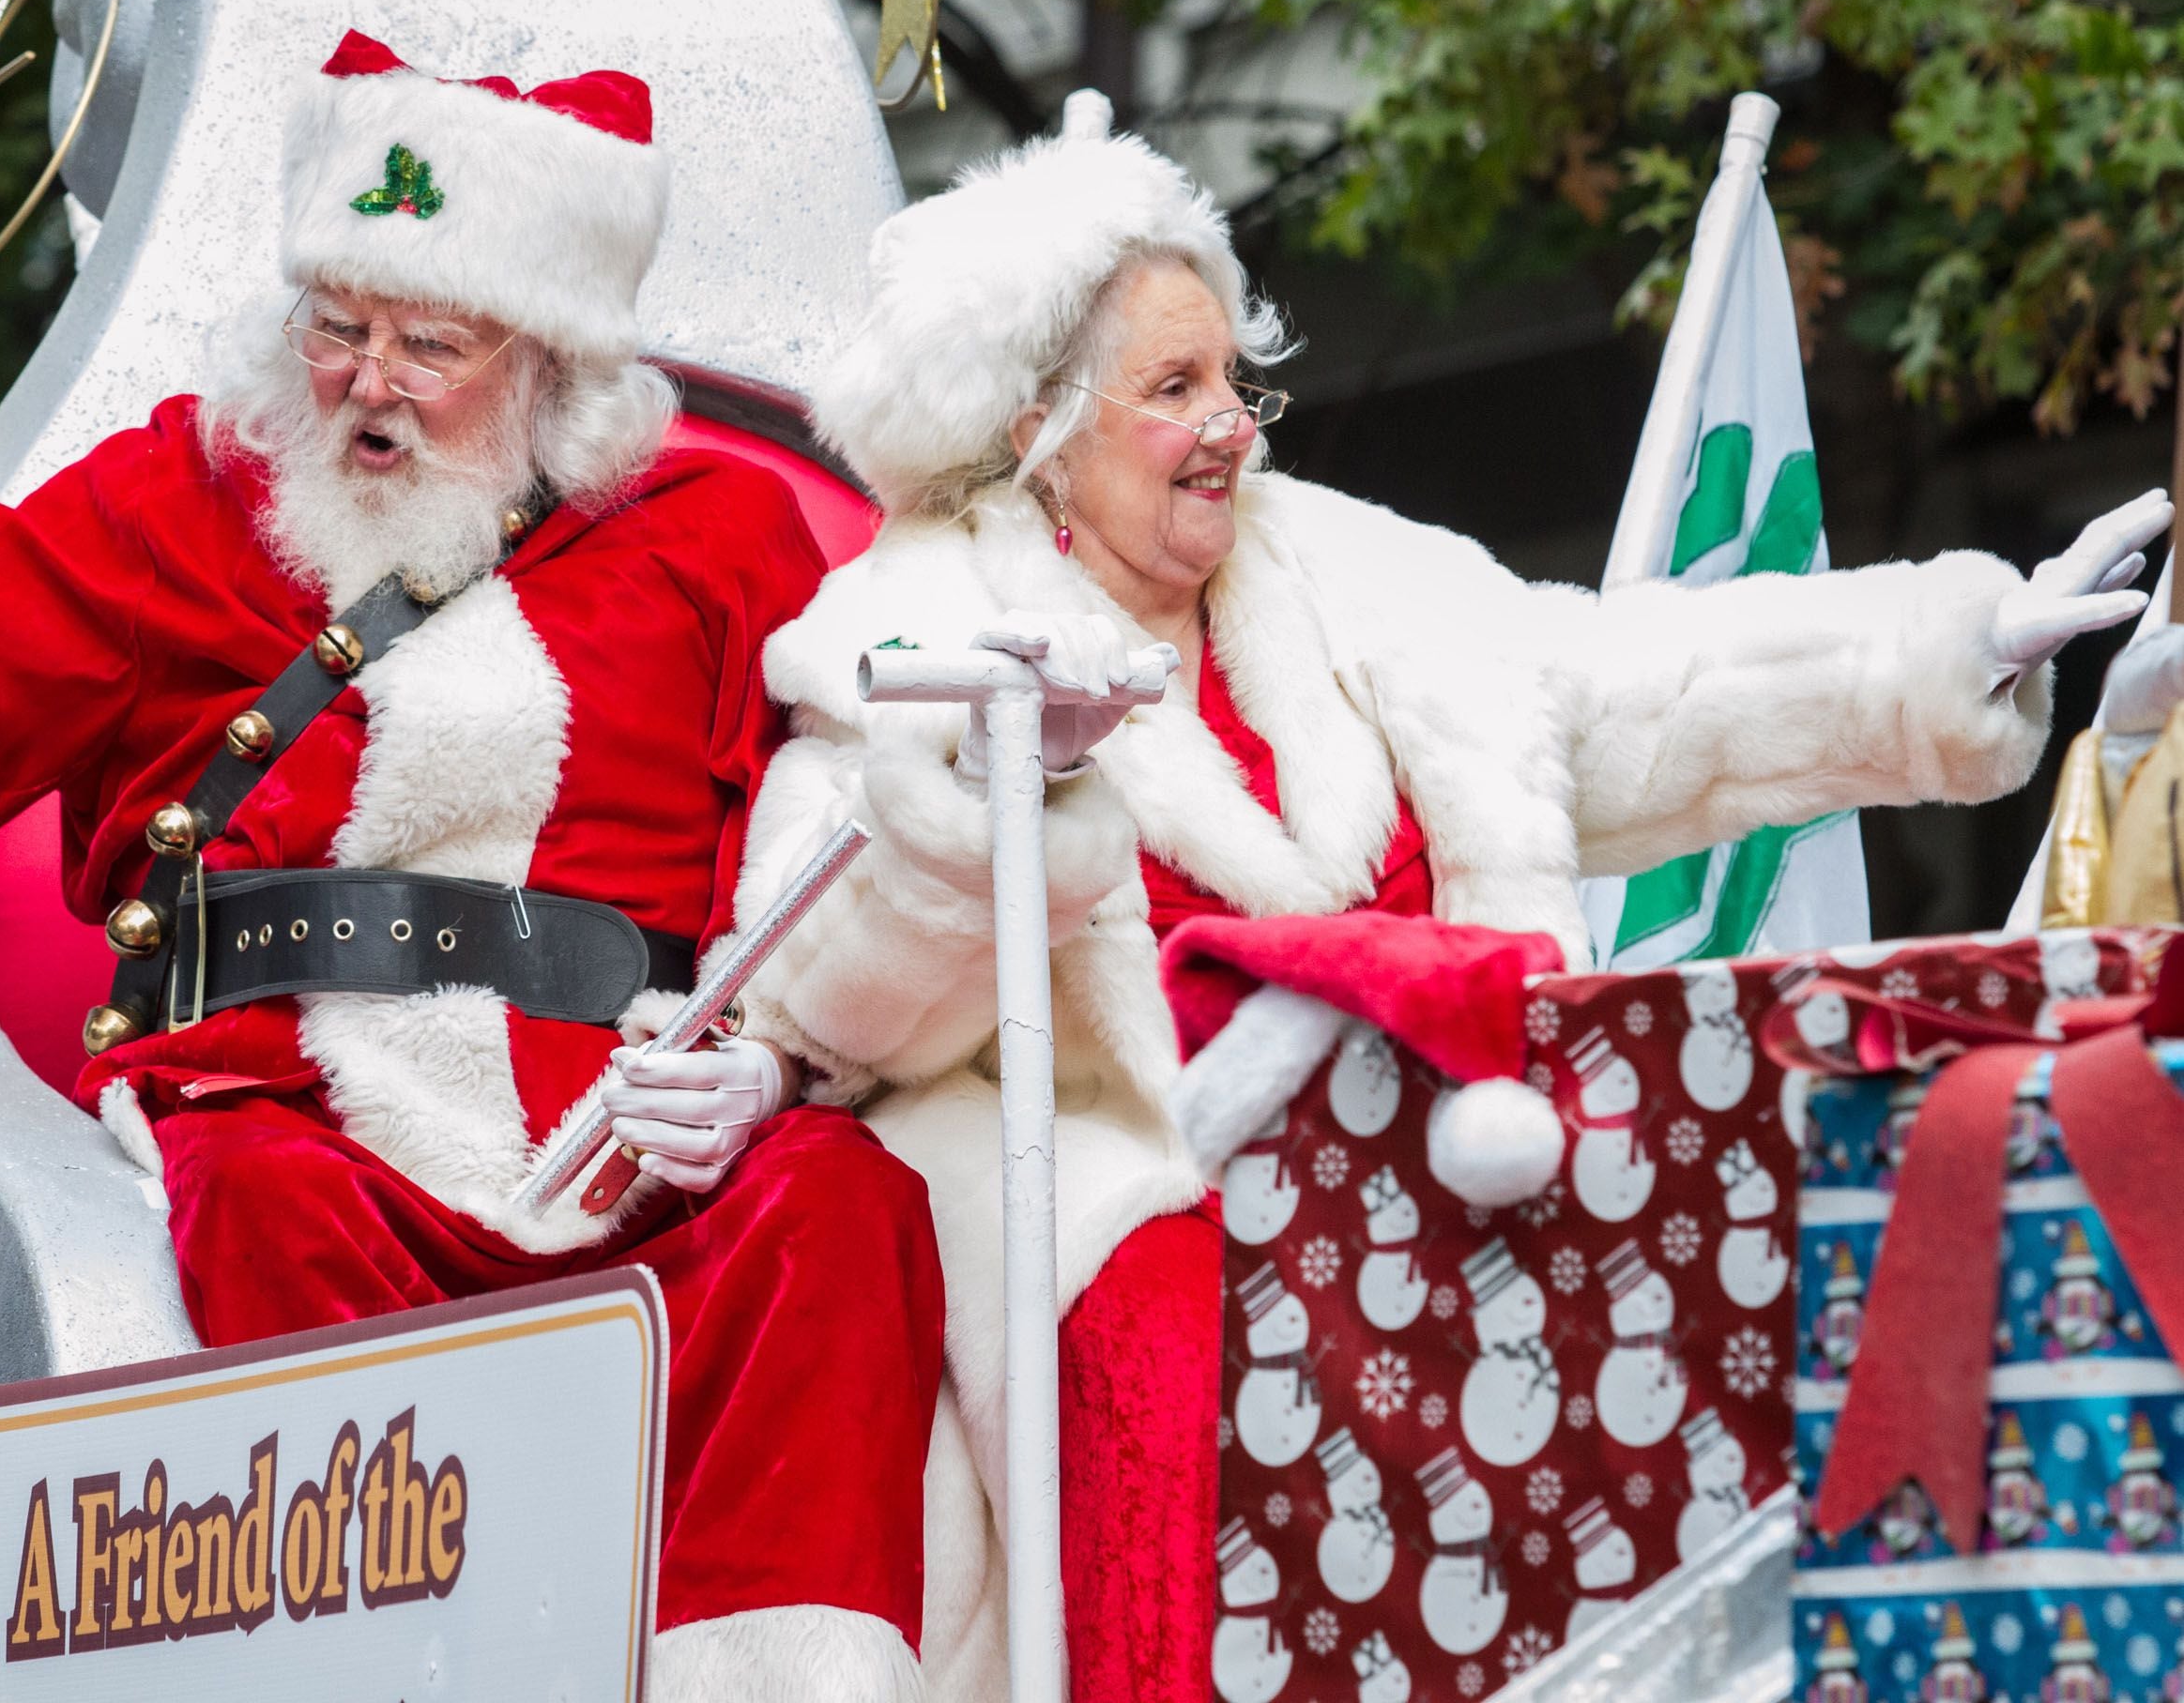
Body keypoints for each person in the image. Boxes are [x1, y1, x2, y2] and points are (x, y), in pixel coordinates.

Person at [733, 90, 2172, 1700]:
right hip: (1135, 1207)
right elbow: (813, 1000)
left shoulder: (1352, 565)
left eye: (1237, 378)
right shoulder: (909, 629)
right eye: (1175, 388)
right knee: (1187, 1330)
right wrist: (1000, 786)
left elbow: (1638, 688)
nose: (1234, 424)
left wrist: (1945, 649)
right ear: (1032, 430)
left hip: (1452, 1154)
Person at [0, 32, 944, 1696]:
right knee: (274, 1215)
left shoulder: (714, 543)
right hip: (298, 1137)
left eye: (428, 342)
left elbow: (833, 847)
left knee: (843, 1201)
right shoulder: (191, 499)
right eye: (336, 327)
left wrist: (767, 1069)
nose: (366, 381)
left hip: (630, 1151)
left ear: (553, 370)